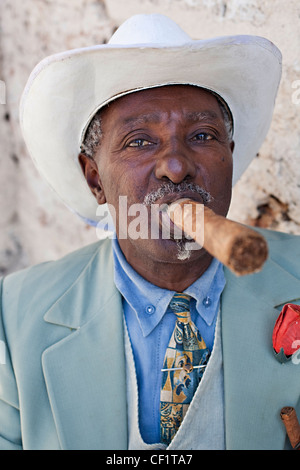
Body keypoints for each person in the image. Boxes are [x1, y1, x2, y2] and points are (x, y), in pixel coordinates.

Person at [0, 14, 299, 451]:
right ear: (95, 179)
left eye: (201, 134)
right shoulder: (13, 317)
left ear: (230, 158)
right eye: (140, 141)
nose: (176, 166)